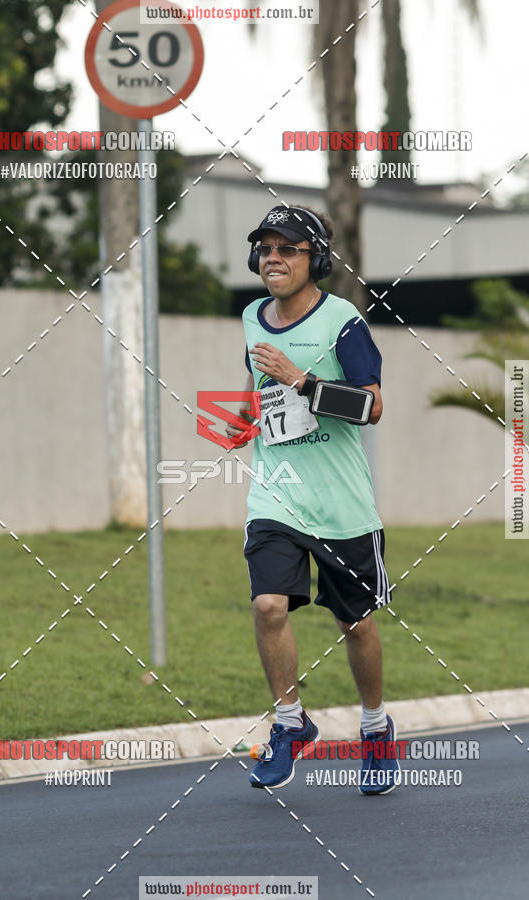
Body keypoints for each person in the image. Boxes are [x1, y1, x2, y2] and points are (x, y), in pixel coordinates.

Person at [227, 205, 399, 795]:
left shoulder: (342, 320)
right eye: (265, 248)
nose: (272, 257)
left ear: (316, 258)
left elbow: (373, 407)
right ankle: (289, 723)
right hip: (277, 495)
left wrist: (303, 381)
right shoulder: (252, 316)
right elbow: (258, 387)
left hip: (343, 504)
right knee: (268, 606)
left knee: (356, 626)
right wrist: (244, 418)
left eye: (287, 248)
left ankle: (375, 730)